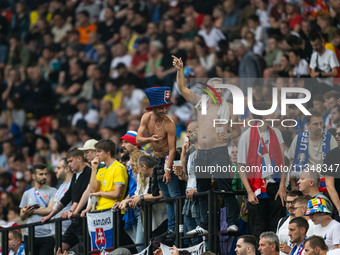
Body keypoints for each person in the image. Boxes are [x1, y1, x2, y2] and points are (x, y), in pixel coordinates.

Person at [173, 55, 240, 235]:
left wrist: (230, 137)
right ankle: (204, 224)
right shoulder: (201, 102)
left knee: (225, 186)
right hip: (201, 151)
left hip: (218, 150)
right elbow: (182, 89)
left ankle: (232, 222)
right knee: (202, 190)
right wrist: (180, 70)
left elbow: (237, 129)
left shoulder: (229, 106)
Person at [237, 102, 286, 238]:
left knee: (277, 229)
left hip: (274, 187)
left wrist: (282, 186)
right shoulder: (246, 136)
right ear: (264, 115)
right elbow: (241, 166)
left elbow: (283, 162)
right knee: (259, 232)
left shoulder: (276, 133)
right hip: (257, 188)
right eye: (272, 111)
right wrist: (250, 193)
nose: (275, 114)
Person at [136, 86, 180, 241]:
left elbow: (173, 149)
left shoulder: (169, 123)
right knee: (167, 196)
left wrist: (168, 169)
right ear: (154, 108)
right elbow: (138, 139)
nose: (164, 110)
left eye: (165, 107)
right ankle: (171, 228)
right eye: (161, 108)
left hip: (170, 158)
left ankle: (177, 227)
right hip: (157, 159)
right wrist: (150, 139)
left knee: (174, 194)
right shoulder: (146, 118)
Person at [42, 148, 91, 252]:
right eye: (68, 162)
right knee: (59, 248)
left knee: (84, 250)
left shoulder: (88, 172)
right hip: (75, 220)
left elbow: (82, 194)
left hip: (84, 219)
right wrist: (50, 215)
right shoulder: (75, 176)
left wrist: (71, 211)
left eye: (70, 161)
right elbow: (66, 198)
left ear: (79, 158)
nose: (69, 164)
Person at [289, 111, 337, 189]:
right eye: (316, 124)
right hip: (304, 180)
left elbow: (336, 162)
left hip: (325, 180)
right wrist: (293, 185)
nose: (319, 127)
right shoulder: (299, 138)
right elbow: (292, 162)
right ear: (308, 125)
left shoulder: (330, 138)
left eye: (321, 123)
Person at [19, 164, 56, 255]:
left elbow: (49, 210)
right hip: (30, 234)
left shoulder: (53, 191)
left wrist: (32, 211)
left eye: (45, 174)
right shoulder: (27, 193)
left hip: (47, 235)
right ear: (33, 176)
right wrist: (26, 212)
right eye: (41, 174)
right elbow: (22, 217)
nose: (44, 176)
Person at [36, 158, 72, 235]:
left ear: (67, 169)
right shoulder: (60, 187)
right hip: (56, 231)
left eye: (58, 168)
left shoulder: (73, 184)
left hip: (67, 232)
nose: (55, 170)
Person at [90, 139, 127, 210]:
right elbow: (93, 190)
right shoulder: (101, 170)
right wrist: (94, 169)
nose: (96, 154)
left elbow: (117, 194)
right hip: (99, 210)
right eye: (96, 151)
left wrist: (100, 193)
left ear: (108, 152)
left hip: (112, 210)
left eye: (99, 151)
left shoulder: (118, 168)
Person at [277, 190, 303, 255]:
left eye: (293, 202)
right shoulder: (282, 221)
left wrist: (290, 251)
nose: (290, 205)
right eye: (288, 202)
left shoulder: (307, 223)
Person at [324, 128, 340, 222]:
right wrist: (339, 208)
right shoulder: (331, 155)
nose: (337, 136)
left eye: (339, 134)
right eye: (337, 134)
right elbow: (329, 185)